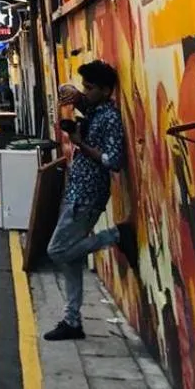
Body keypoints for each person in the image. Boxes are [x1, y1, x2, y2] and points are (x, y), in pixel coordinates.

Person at [44, 60, 137, 342]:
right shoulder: (96, 109)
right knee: (71, 260)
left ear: (106, 90)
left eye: (90, 87)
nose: (86, 91)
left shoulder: (109, 117)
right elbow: (77, 98)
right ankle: (72, 320)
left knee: (58, 251)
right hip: (76, 191)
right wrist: (72, 93)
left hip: (87, 194)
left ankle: (114, 235)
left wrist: (79, 142)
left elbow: (113, 161)